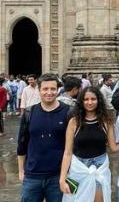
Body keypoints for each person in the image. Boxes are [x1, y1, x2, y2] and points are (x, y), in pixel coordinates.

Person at [17, 73, 71, 202]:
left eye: (53, 89)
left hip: (58, 176)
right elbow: (21, 144)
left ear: (58, 90)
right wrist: (21, 171)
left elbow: (73, 146)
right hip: (32, 175)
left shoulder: (69, 112)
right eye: (45, 89)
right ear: (39, 90)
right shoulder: (29, 113)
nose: (49, 92)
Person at [59, 86, 117, 202]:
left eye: (93, 99)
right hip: (78, 168)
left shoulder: (106, 121)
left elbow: (114, 147)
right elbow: (67, 152)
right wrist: (62, 178)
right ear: (81, 101)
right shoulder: (74, 122)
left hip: (100, 168)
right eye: (86, 99)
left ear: (98, 100)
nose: (89, 102)